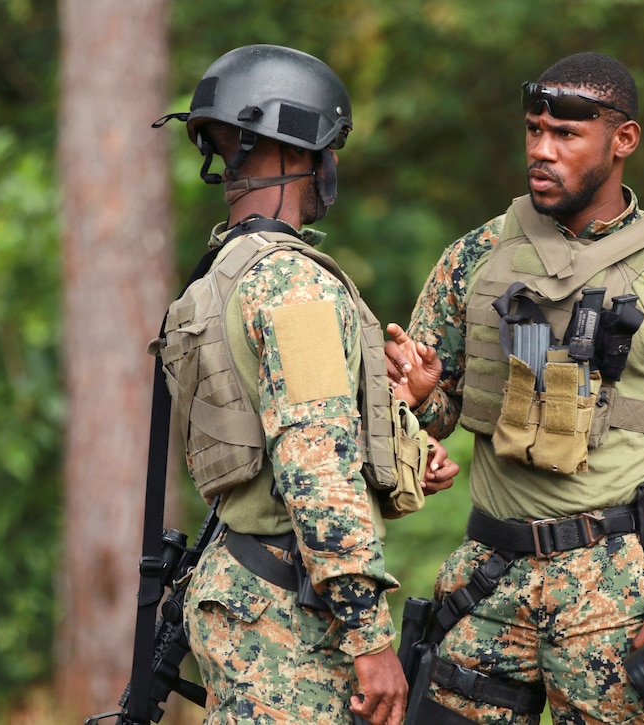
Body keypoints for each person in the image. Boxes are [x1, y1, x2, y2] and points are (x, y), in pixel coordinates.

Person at [385, 52, 644, 724]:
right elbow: (437, 419)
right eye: (534, 130)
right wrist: (420, 399)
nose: (542, 150)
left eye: (565, 135)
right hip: (485, 581)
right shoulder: (475, 258)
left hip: (612, 595)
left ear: (623, 140)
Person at [152, 45, 458, 725]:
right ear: (304, 151)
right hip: (290, 619)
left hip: (241, 587)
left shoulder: (219, 275)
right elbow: (314, 468)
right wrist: (371, 639)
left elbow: (270, 433)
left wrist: (397, 421)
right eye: (331, 146)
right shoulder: (295, 283)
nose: (334, 165)